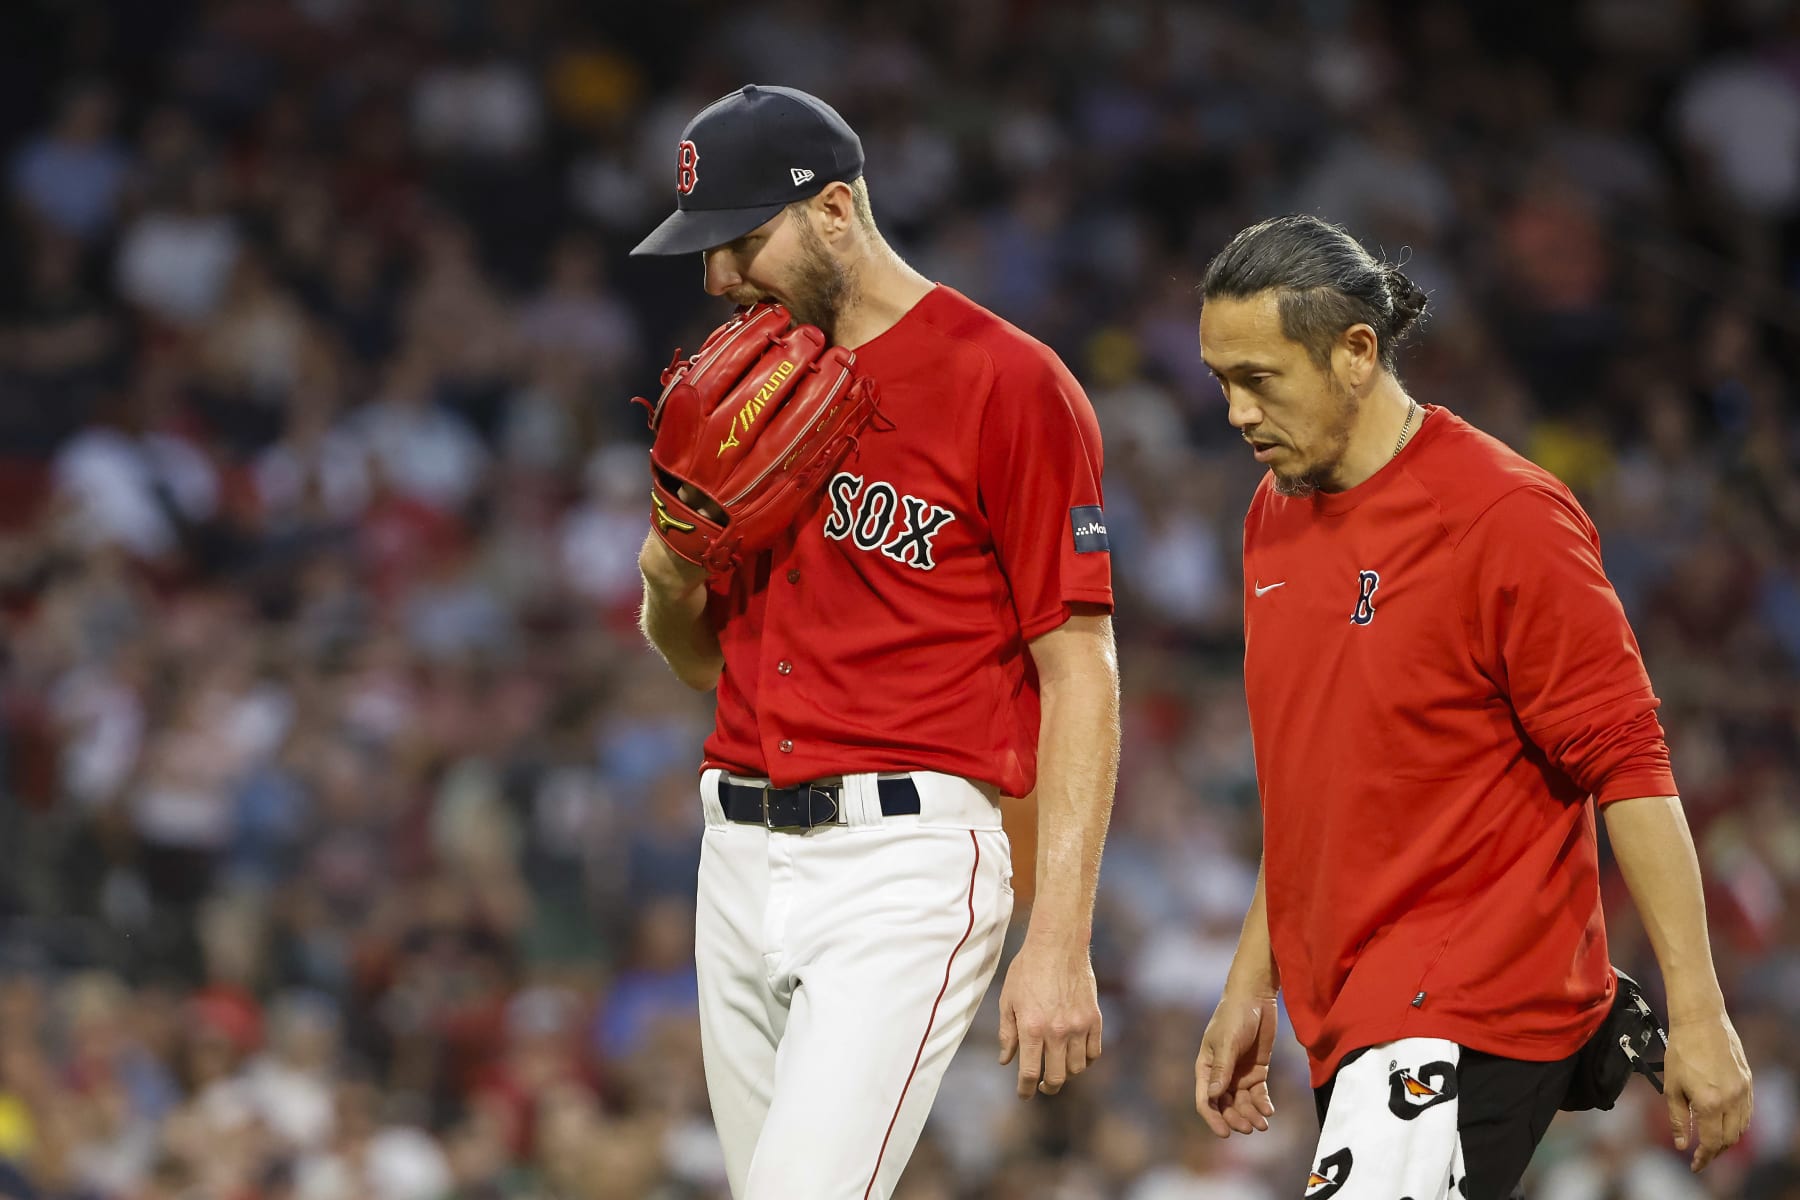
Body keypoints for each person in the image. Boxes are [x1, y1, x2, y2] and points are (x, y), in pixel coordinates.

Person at [1189, 214, 1753, 1199]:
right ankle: (1594, 1021)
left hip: (1460, 999)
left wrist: (1700, 1011)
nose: (1236, 411)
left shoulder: (1502, 516)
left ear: (1356, 352)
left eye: (1260, 378)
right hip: (1353, 1006)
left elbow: (1629, 764)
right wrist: (1251, 983)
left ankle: (1585, 1010)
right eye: (1221, 380)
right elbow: (1315, 782)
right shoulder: (1272, 514)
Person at [628, 84, 1119, 1198]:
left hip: (904, 865)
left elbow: (1080, 668)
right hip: (737, 854)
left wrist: (1060, 935)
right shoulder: (742, 392)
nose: (715, 280)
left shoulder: (1009, 381)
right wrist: (666, 577)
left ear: (837, 210)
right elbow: (706, 659)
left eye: (741, 243)